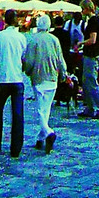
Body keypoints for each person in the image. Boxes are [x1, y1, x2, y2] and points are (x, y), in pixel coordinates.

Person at [0, 10, 28, 158]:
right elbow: (24, 59)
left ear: (5, 20)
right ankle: (16, 147)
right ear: (16, 20)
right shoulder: (21, 38)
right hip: (17, 79)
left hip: (2, 79)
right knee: (17, 114)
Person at [22, 15, 64, 153]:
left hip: (39, 78)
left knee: (41, 109)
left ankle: (48, 132)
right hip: (52, 78)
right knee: (46, 109)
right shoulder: (55, 40)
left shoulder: (33, 40)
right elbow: (60, 59)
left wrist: (28, 72)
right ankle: (40, 138)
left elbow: (29, 61)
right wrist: (64, 74)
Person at [77, 2, 99, 118]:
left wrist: (81, 43)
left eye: (82, 8)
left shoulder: (93, 21)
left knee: (91, 80)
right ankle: (90, 107)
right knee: (86, 81)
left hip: (91, 54)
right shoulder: (91, 20)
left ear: (87, 8)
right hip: (89, 53)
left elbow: (92, 39)